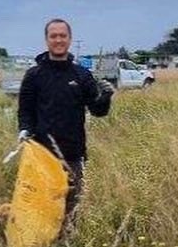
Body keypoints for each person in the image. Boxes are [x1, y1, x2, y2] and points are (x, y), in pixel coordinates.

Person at [17, 18, 113, 220]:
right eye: (54, 36)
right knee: (40, 210)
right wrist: (24, 129)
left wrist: (105, 97)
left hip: (73, 156)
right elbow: (25, 111)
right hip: (41, 156)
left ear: (70, 39)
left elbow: (98, 111)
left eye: (63, 36)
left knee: (70, 212)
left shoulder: (82, 75)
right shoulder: (34, 75)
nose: (58, 40)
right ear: (46, 40)